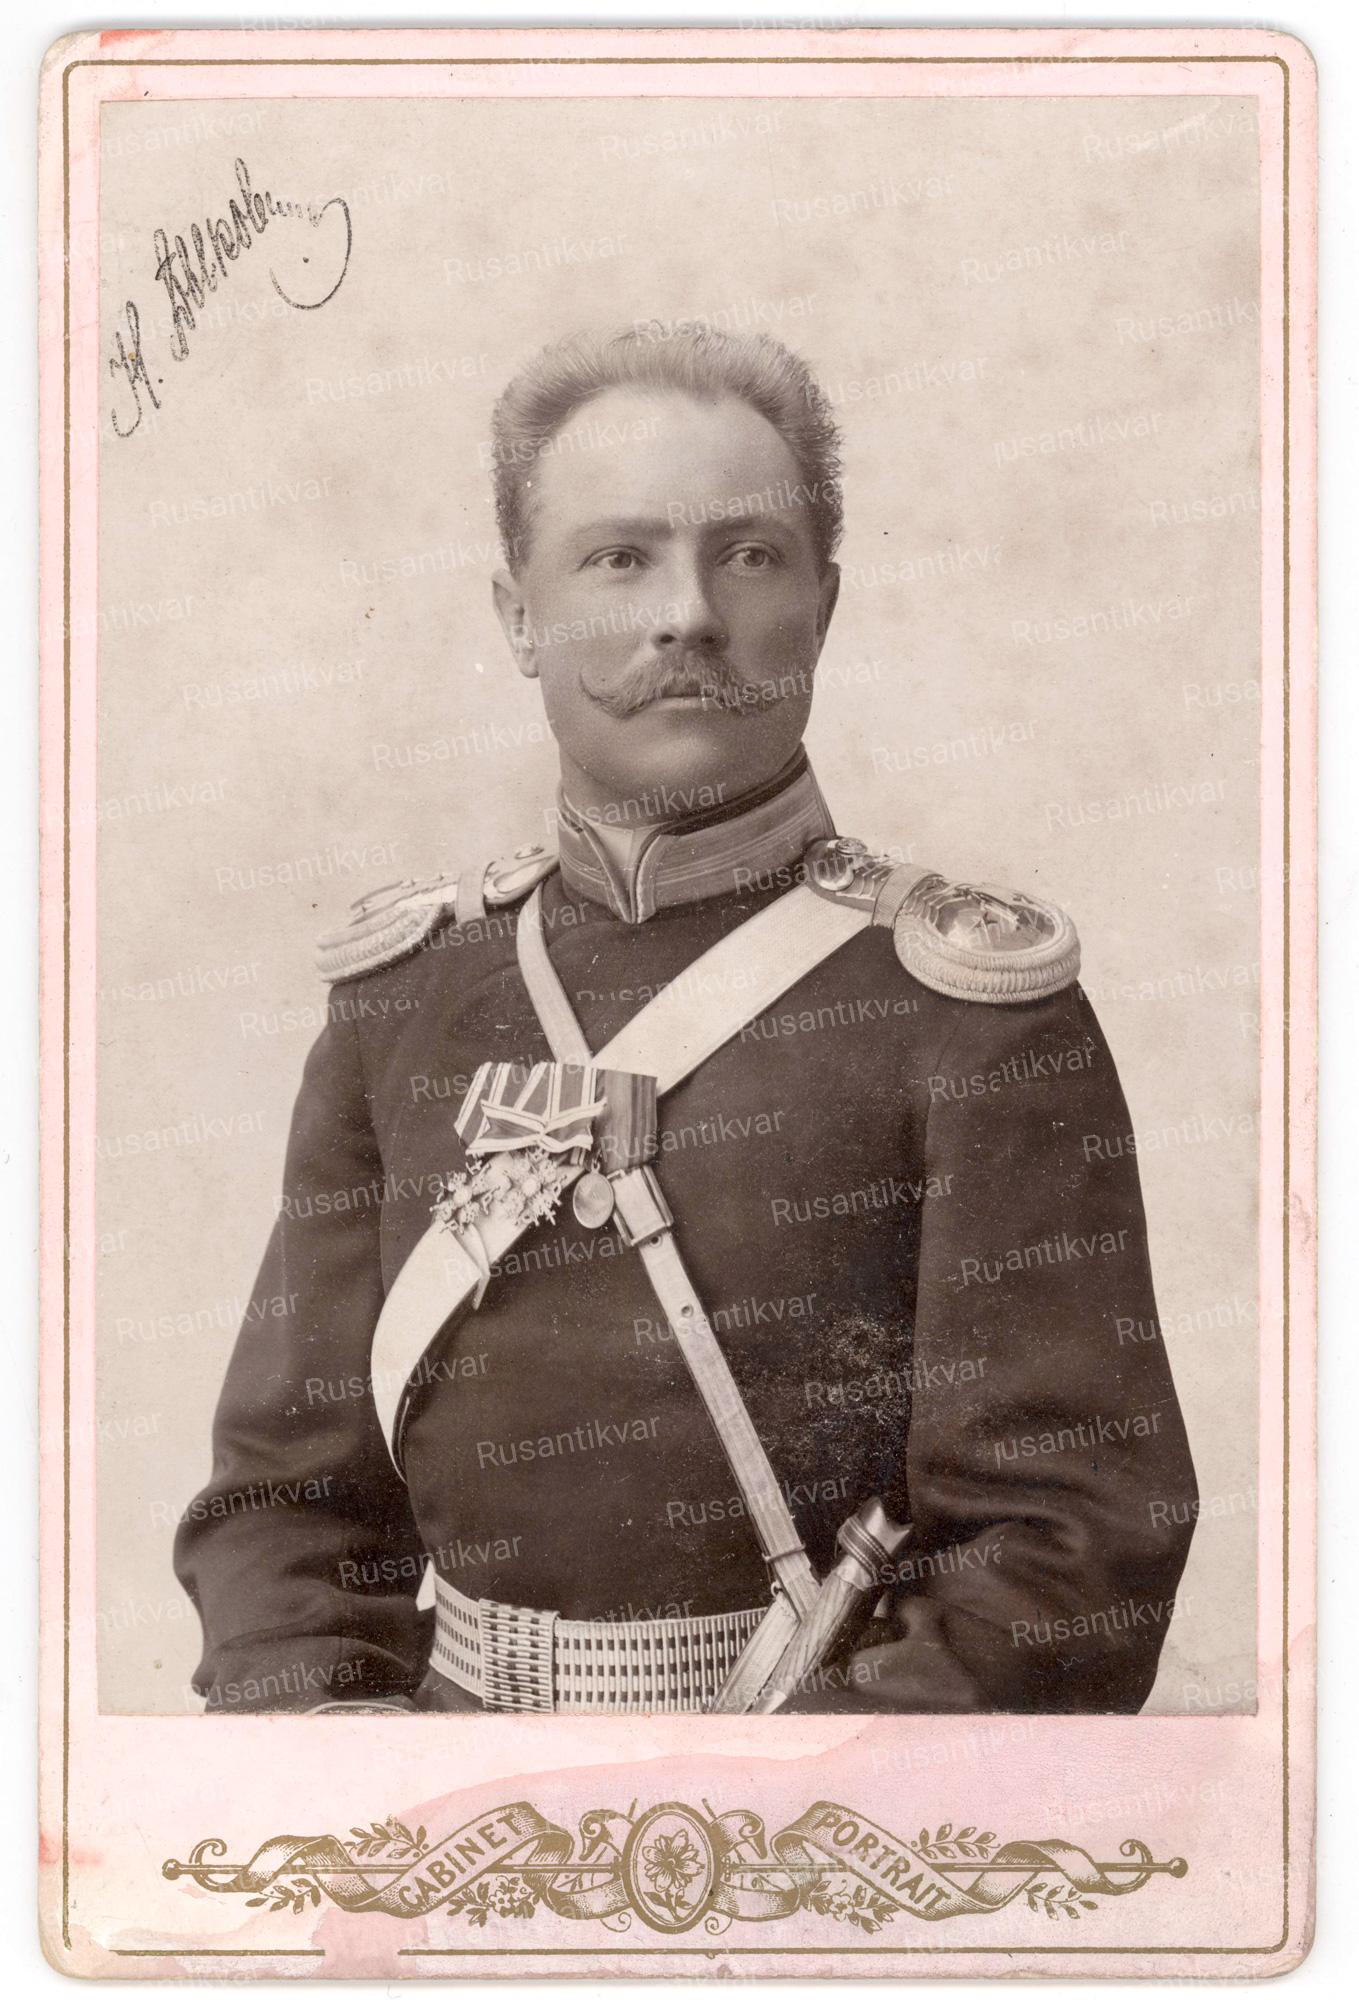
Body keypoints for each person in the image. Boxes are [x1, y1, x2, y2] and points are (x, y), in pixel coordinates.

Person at [174, 324, 1197, 1717]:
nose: (689, 616)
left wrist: (783, 1804)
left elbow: (1071, 1548)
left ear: (824, 605)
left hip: (831, 1802)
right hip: (436, 1787)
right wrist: (340, 1753)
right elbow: (283, 1504)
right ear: (518, 616)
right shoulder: (406, 1002)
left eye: (750, 554)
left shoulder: (971, 1018)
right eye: (619, 557)